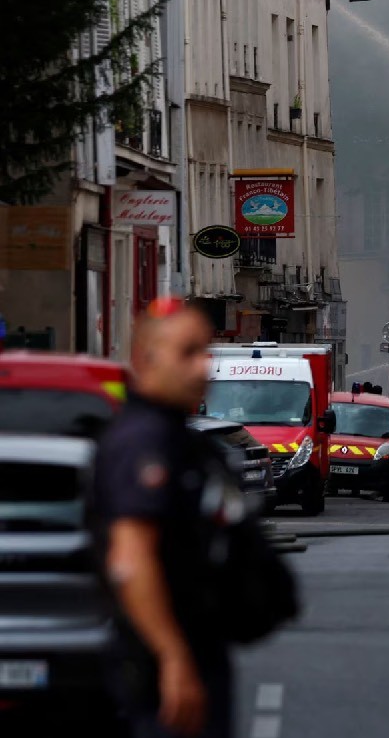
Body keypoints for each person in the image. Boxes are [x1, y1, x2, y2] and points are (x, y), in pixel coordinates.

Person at [92, 297, 234, 738]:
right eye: (188, 353)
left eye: (207, 351)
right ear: (146, 359)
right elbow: (131, 560)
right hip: (161, 667)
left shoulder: (177, 437)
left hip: (194, 652)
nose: (203, 367)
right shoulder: (144, 441)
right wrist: (173, 658)